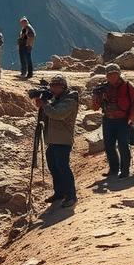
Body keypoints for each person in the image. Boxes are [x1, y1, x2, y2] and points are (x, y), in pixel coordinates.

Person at [31, 74, 79, 208]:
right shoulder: (55, 98)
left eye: (56, 86)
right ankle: (59, 193)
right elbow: (48, 112)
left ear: (63, 87)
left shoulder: (70, 100)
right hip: (52, 139)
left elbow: (58, 114)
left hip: (63, 139)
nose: (53, 89)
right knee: (53, 167)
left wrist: (45, 104)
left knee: (63, 167)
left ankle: (71, 196)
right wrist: (42, 101)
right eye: (52, 86)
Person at [92, 64, 134, 179]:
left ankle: (125, 170)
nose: (112, 77)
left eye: (114, 74)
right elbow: (95, 107)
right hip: (108, 120)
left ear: (119, 74)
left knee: (123, 145)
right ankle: (114, 169)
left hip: (123, 120)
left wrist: (132, 116)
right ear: (106, 76)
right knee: (109, 145)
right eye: (109, 75)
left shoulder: (128, 86)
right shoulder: (103, 88)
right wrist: (96, 99)